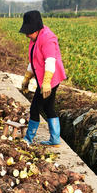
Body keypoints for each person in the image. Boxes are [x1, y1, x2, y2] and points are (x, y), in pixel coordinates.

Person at [19, 10, 66, 146]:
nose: (27, 35)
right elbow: (33, 59)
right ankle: (55, 139)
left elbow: (50, 61)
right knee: (48, 108)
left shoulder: (47, 39)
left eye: (29, 32)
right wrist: (27, 78)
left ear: (37, 29)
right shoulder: (35, 39)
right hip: (42, 78)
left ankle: (28, 139)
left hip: (50, 77)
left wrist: (46, 83)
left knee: (35, 108)